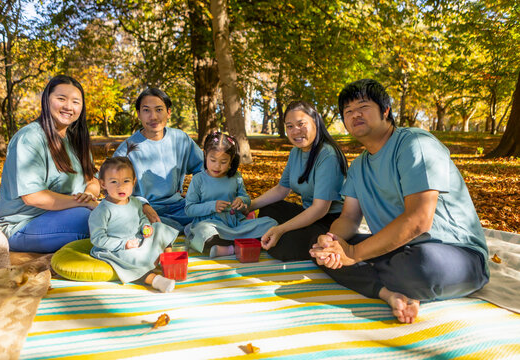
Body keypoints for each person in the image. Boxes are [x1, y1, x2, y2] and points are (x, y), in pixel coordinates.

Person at [310, 79, 489, 324]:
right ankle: (390, 293)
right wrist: (333, 242)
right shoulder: (359, 165)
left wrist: (353, 253)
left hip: (454, 254)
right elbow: (349, 218)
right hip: (397, 250)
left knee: (420, 265)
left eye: (363, 106)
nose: (355, 115)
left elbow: (418, 220)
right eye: (348, 112)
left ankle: (384, 279)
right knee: (324, 253)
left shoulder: (416, 144)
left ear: (385, 111)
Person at [0, 75, 100, 253]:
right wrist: (81, 203)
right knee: (91, 220)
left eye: (75, 102)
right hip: (24, 225)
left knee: (115, 212)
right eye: (61, 99)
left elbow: (93, 180)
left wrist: (88, 196)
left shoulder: (75, 140)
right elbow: (33, 197)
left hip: (68, 213)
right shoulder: (29, 138)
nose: (68, 106)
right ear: (46, 100)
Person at [248, 101, 348, 261]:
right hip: (308, 213)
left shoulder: (328, 155)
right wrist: (250, 205)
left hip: (331, 222)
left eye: (301, 124)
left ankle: (321, 245)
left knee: (281, 246)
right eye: (290, 126)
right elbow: (282, 189)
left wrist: (281, 229)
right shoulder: (295, 152)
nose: (295, 131)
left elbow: (320, 209)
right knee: (269, 208)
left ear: (315, 122)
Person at [89, 147, 179, 292]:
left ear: (133, 182)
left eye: (126, 181)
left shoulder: (136, 203)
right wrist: (124, 244)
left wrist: (145, 227)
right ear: (103, 184)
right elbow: (98, 239)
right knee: (132, 259)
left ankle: (168, 261)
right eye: (114, 182)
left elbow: (142, 218)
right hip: (117, 249)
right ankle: (154, 280)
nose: (121, 186)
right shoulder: (102, 211)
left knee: (160, 227)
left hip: (138, 239)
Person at [114, 88, 203, 233]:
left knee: (215, 212)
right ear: (139, 114)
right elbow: (113, 188)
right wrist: (141, 204)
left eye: (159, 109)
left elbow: (204, 169)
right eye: (146, 110)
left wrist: (194, 193)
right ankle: (179, 231)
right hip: (143, 210)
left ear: (168, 112)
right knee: (129, 226)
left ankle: (184, 230)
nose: (153, 116)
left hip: (179, 206)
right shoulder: (126, 150)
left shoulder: (181, 139)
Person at [185, 132, 278, 258]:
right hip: (212, 226)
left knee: (271, 224)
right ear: (205, 155)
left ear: (231, 160)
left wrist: (242, 200)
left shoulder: (235, 177)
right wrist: (212, 206)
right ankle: (238, 247)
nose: (217, 166)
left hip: (236, 225)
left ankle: (230, 247)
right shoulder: (198, 179)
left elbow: (245, 198)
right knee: (204, 232)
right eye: (213, 160)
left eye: (223, 162)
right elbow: (189, 209)